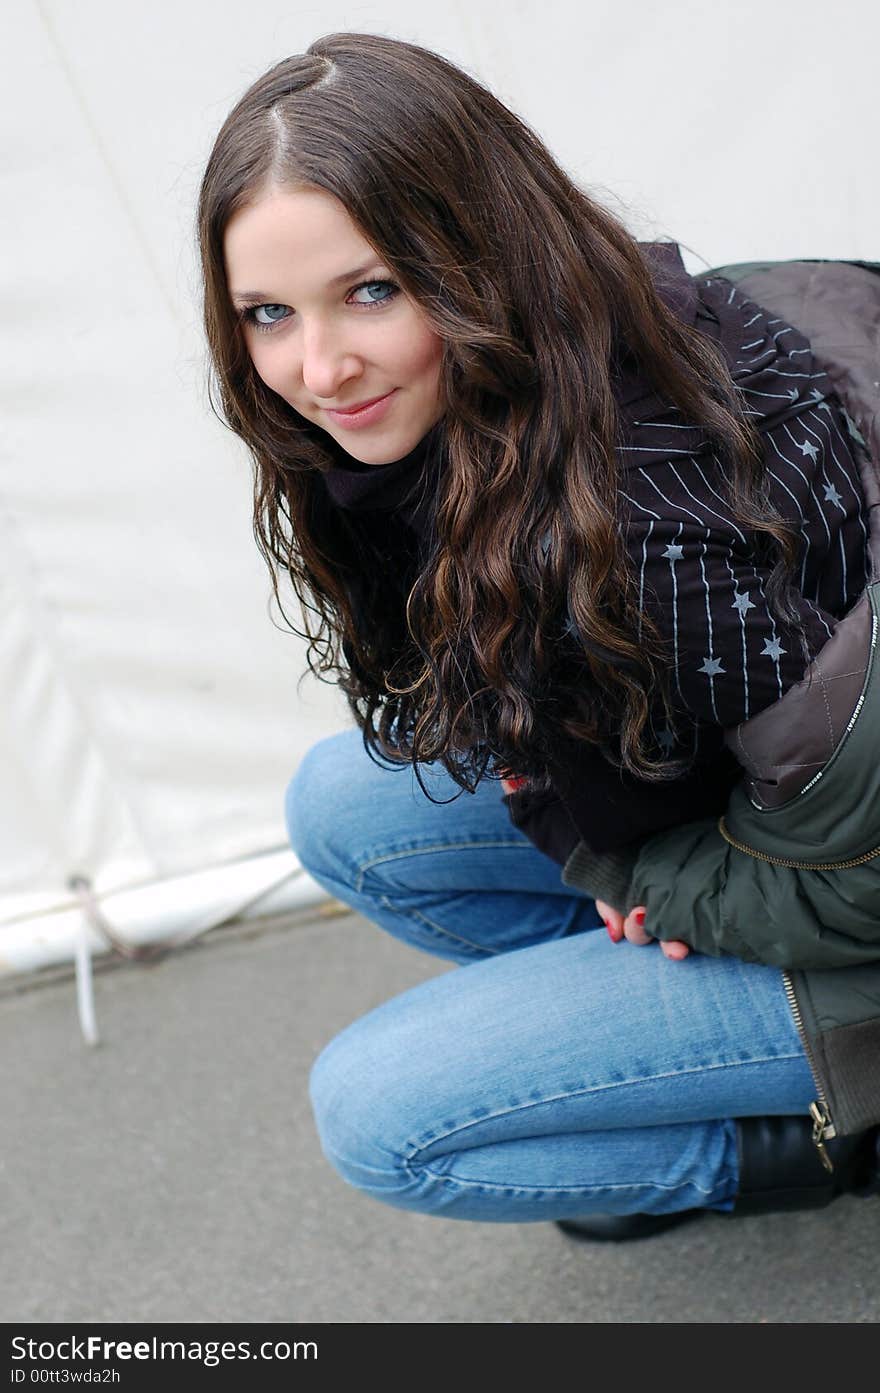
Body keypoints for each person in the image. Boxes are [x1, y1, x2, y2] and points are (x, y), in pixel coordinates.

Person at [197, 32, 880, 1240]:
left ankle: (813, 1130)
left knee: (382, 1114)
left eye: (370, 291)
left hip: (852, 888)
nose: (318, 367)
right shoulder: (558, 356)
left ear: (481, 257)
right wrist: (604, 840)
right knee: (347, 806)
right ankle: (654, 1026)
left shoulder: (641, 542)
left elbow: (853, 884)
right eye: (266, 312)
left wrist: (640, 875)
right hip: (775, 804)